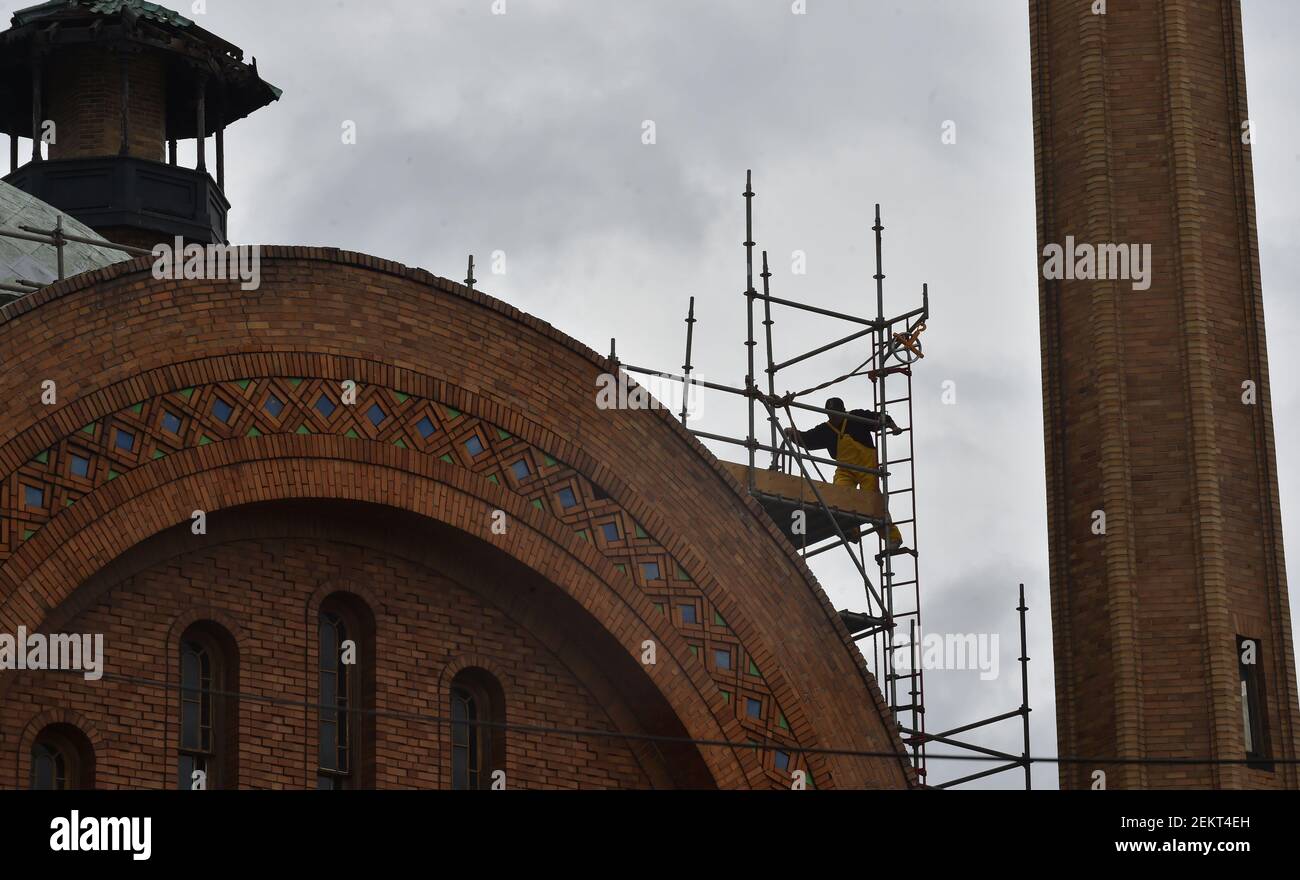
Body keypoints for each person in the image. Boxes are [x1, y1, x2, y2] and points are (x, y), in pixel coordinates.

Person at [783, 397, 904, 549]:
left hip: (866, 467)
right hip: (845, 469)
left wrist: (893, 427)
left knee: (871, 501)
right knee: (839, 496)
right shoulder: (826, 429)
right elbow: (807, 439)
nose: (833, 417)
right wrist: (793, 433)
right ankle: (851, 530)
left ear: (843, 410)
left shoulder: (856, 418)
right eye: (830, 414)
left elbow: (881, 418)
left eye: (836, 413)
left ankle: (892, 537)